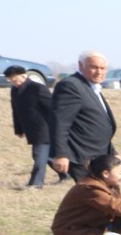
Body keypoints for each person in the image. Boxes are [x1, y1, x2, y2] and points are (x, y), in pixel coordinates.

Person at [50, 50, 116, 182]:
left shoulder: (92, 87)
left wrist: (112, 152)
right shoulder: (71, 86)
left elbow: (95, 123)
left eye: (102, 68)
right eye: (94, 67)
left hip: (99, 156)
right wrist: (60, 154)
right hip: (82, 157)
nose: (99, 72)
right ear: (81, 66)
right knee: (92, 196)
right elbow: (60, 123)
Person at [6, 65, 57, 188]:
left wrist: (57, 126)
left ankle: (35, 184)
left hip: (44, 128)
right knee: (47, 156)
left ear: (23, 75)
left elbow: (53, 108)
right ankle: (65, 174)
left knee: (38, 155)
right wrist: (18, 129)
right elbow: (16, 110)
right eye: (10, 80)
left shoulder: (37, 88)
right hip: (30, 129)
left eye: (14, 79)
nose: (13, 82)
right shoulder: (14, 91)